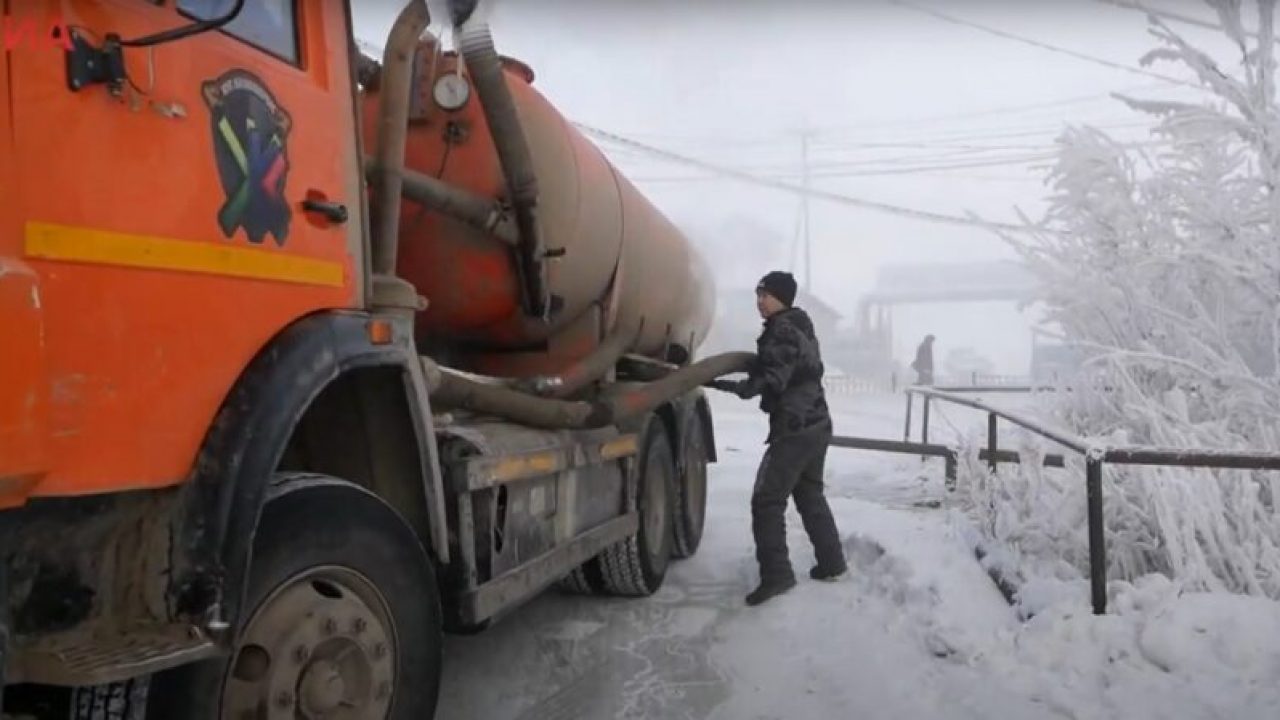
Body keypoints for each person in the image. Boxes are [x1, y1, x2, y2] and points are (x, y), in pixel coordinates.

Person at [709, 271, 848, 606]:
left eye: (766, 296)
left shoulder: (782, 330)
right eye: (758, 295)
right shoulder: (799, 326)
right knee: (810, 494)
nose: (760, 301)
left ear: (782, 299)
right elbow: (786, 367)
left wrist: (739, 386)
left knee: (767, 500)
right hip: (817, 422)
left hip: (795, 427)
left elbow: (775, 378)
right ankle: (832, 563)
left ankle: (777, 575)